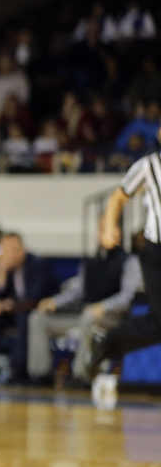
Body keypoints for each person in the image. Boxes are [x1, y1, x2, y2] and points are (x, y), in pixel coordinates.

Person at [79, 152, 161, 379]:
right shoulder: (148, 165)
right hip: (157, 251)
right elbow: (118, 197)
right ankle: (107, 341)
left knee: (158, 324)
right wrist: (108, 227)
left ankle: (106, 342)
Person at [29, 244, 142, 382]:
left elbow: (127, 297)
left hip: (111, 316)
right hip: (84, 313)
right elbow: (77, 291)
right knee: (38, 318)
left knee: (89, 317)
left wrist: (103, 306)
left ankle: (81, 376)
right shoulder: (90, 262)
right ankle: (40, 375)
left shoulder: (129, 261)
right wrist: (54, 301)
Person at [0, 233, 58, 383]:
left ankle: (18, 368)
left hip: (41, 311)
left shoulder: (38, 264)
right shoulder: (8, 268)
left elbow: (33, 299)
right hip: (15, 311)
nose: (9, 254)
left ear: (22, 249)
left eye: (13, 249)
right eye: (5, 250)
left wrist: (4, 306)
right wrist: (2, 274)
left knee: (25, 317)